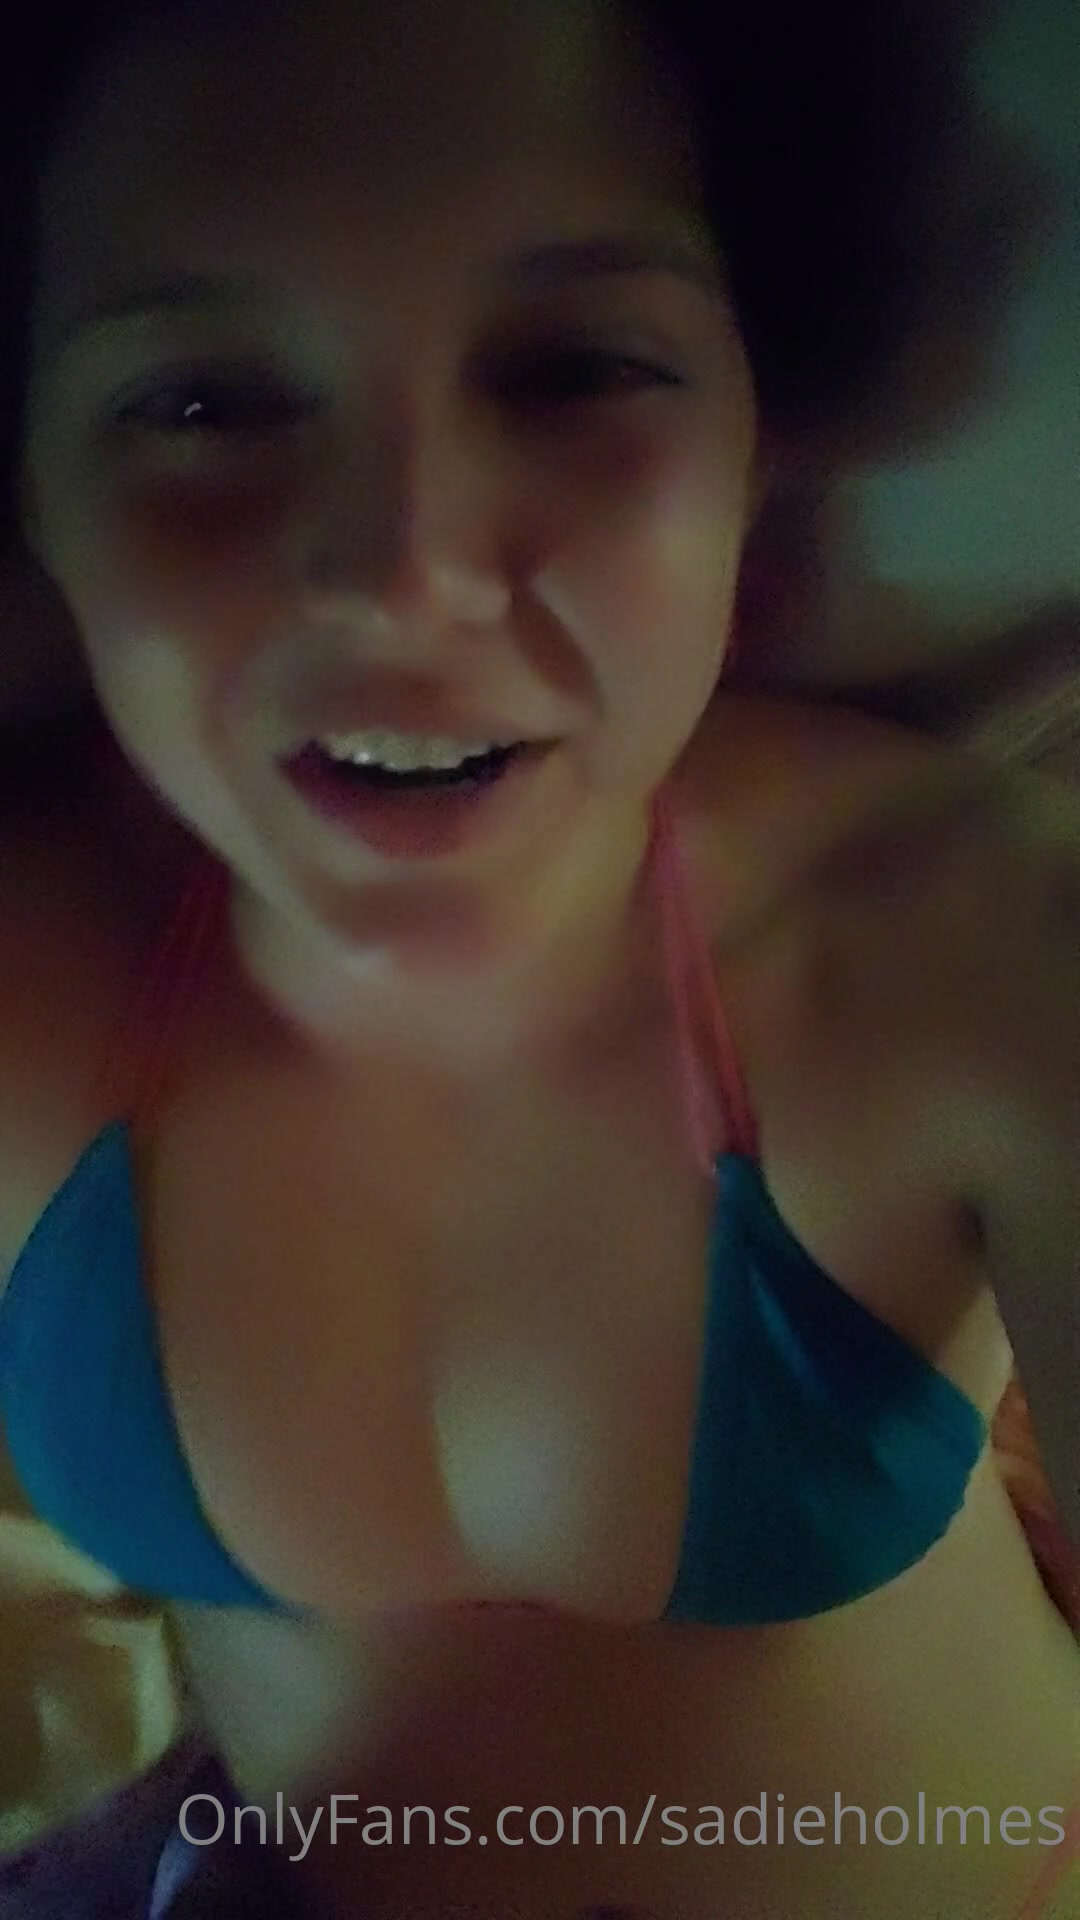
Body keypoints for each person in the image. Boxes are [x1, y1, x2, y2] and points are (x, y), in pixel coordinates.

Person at [0, 0, 1077, 1915]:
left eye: (577, 367)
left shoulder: (975, 942)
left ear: (760, 440)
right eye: (202, 402)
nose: (404, 573)